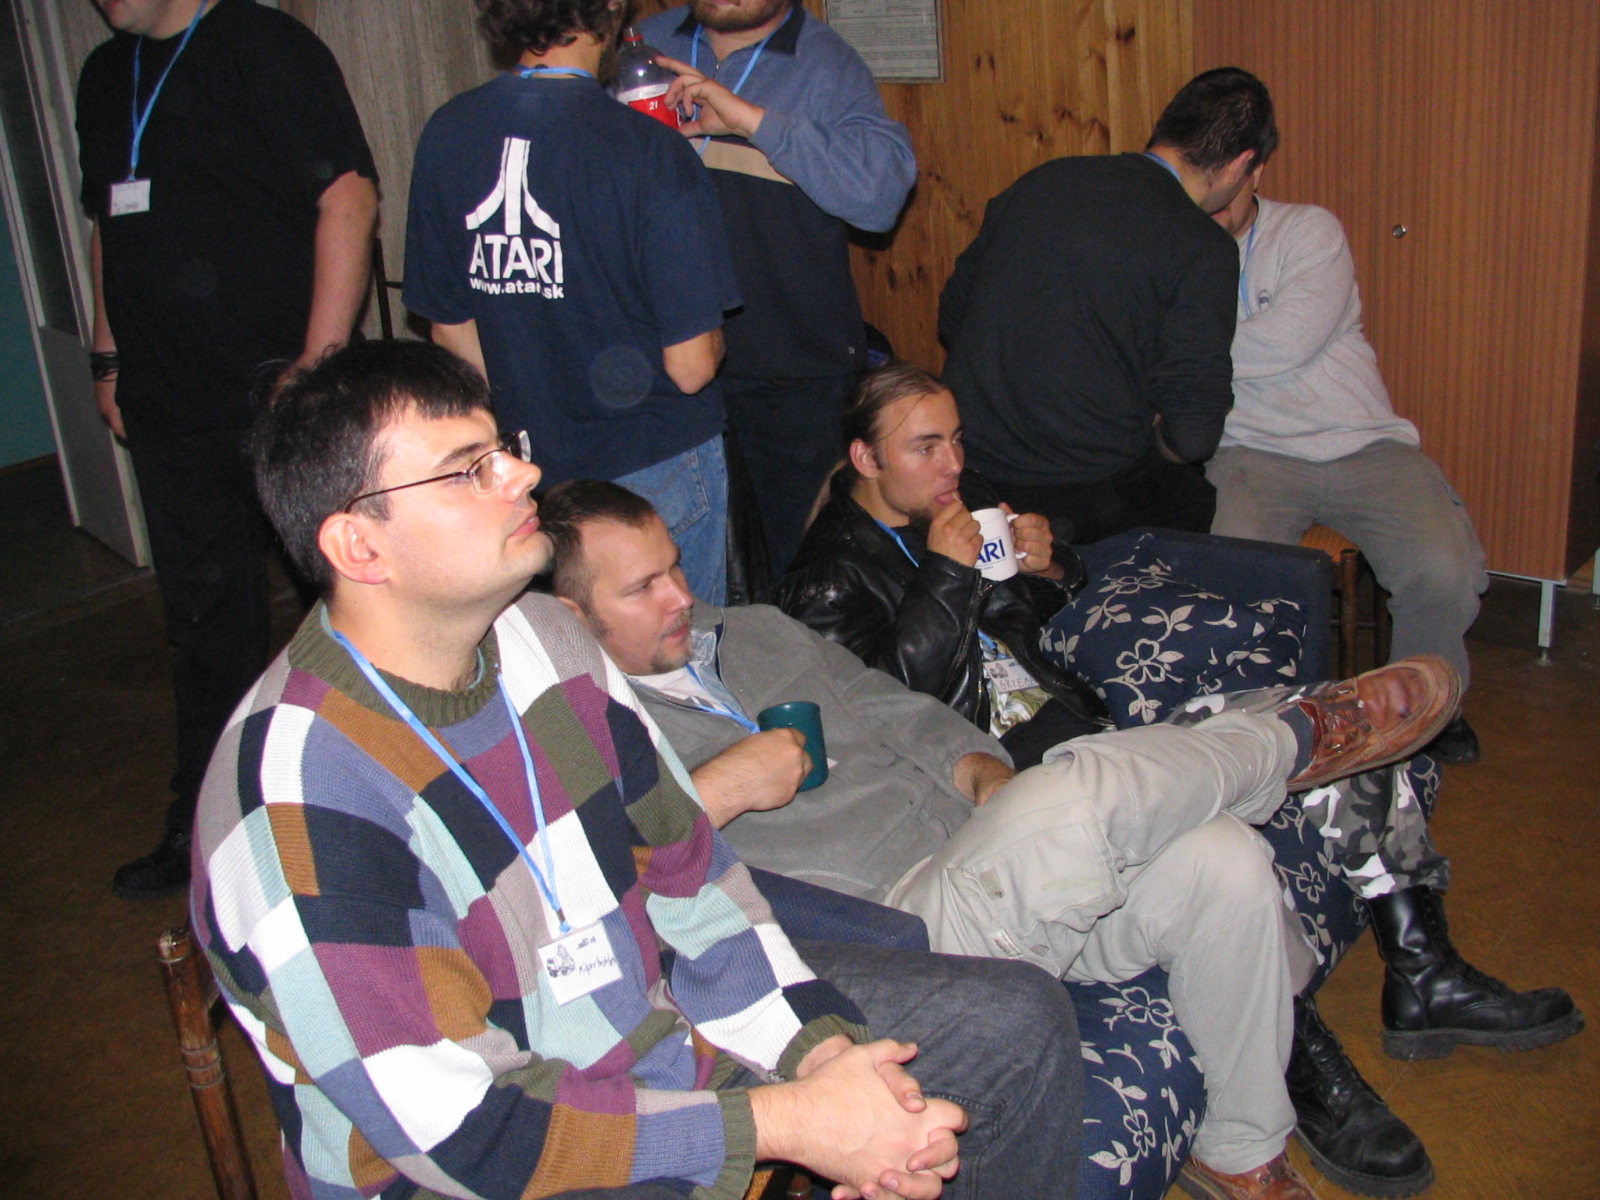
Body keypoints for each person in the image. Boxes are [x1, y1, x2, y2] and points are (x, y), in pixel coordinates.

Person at [192, 336, 1084, 1200]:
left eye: (503, 448)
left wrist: (830, 1066)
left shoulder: (548, 641)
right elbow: (469, 1135)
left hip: (651, 1035)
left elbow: (697, 892)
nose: (523, 475)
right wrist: (788, 1122)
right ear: (360, 547)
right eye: (470, 470)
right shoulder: (293, 795)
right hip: (494, 1167)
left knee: (1016, 1025)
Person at [542, 479, 1492, 1200]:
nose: (681, 595)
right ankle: (1297, 736)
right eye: (644, 588)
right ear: (572, 619)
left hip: (988, 859)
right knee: (1083, 785)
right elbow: (583, 894)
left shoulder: (750, 629)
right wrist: (715, 792)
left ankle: (1241, 1150)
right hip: (896, 929)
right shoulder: (572, 734)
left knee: (1223, 862)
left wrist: (984, 774)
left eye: (676, 566)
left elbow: (894, 703)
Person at [771, 362, 1582, 1195]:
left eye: (957, 441)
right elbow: (894, 722)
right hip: (1007, 777)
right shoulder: (824, 584)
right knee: (1238, 803)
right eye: (927, 447)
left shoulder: (954, 504)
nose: (954, 466)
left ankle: (1423, 967)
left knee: (1351, 735)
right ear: (866, 459)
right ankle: (1309, 1048)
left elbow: (1028, 623)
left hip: (1080, 727)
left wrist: (1052, 567)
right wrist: (946, 576)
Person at [76, 0, 378, 898]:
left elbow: (349, 198)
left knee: (350, 607)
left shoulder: (262, 45)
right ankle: (208, 821)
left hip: (281, 394)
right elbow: (108, 227)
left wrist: (316, 370)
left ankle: (381, 802)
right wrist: (106, 357)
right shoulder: (104, 75)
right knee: (205, 622)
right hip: (169, 400)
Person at [404, 0, 740, 602]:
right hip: (654, 469)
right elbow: (691, 368)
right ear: (609, 9)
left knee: (560, 655)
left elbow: (452, 335)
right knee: (675, 654)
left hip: (527, 472)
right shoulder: (649, 150)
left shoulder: (448, 132)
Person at [1208, 177, 1490, 763]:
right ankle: (1264, 722)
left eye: (1224, 181)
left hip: (1362, 441)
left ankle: (1430, 710)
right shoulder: (1168, 248)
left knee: (1442, 567)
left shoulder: (1307, 230)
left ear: (1251, 172)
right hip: (1249, 452)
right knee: (1237, 574)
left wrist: (1188, 347)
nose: (1212, 198)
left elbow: (1287, 342)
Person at [639, 0, 916, 573]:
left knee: (796, 562)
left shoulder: (825, 62)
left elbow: (880, 198)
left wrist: (752, 121)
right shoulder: (642, 45)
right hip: (661, 359)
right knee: (671, 560)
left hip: (791, 371)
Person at [938, 67, 1270, 544]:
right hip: (1082, 497)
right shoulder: (1203, 245)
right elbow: (1193, 436)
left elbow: (954, 317)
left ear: (1165, 128)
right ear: (1241, 166)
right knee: (1197, 501)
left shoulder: (1043, 181)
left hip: (971, 469)